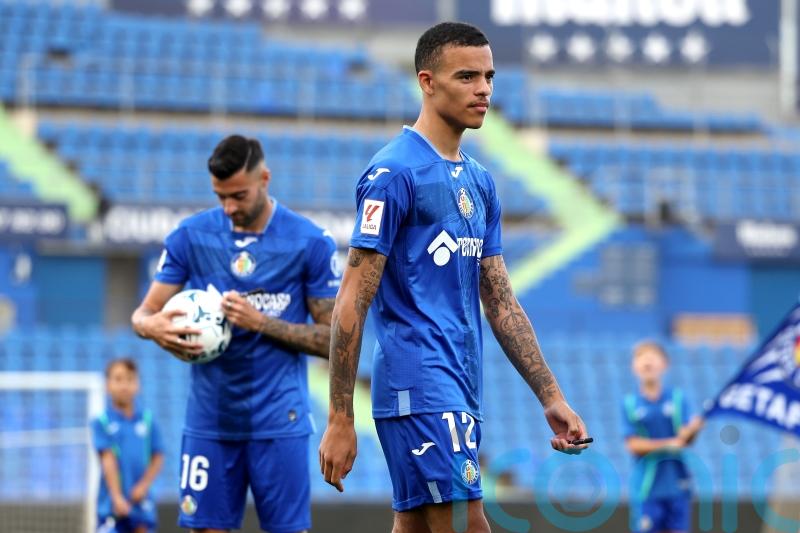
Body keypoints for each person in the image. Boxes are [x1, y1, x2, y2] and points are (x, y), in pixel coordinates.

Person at [318, 22, 591, 533]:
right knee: (469, 525)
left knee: (417, 526)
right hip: (419, 384)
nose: (483, 88)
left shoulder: (480, 183)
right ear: (427, 81)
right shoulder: (394, 174)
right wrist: (339, 417)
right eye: (466, 76)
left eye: (488, 76)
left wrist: (550, 395)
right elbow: (352, 300)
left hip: (459, 385)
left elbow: (502, 302)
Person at [131, 135, 341, 533]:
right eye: (220, 197)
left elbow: (334, 341)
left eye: (238, 196)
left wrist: (261, 323)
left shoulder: (309, 242)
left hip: (280, 420)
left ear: (265, 178)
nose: (229, 207)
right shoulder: (190, 236)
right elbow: (143, 313)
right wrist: (151, 326)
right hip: (210, 421)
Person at [622, 340, 704, 533]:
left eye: (652, 357)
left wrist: (695, 428)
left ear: (664, 364)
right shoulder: (630, 404)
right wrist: (669, 444)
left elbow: (686, 438)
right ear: (634, 366)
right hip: (647, 486)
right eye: (641, 357)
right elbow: (633, 445)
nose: (647, 362)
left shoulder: (678, 398)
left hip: (678, 484)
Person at [91, 358, 164, 533]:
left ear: (137, 384)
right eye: (118, 379)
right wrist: (116, 497)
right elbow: (107, 459)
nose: (124, 385)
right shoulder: (102, 421)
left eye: (130, 379)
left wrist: (143, 486)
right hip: (111, 504)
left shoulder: (148, 420)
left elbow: (158, 456)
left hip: (141, 502)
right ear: (108, 385)